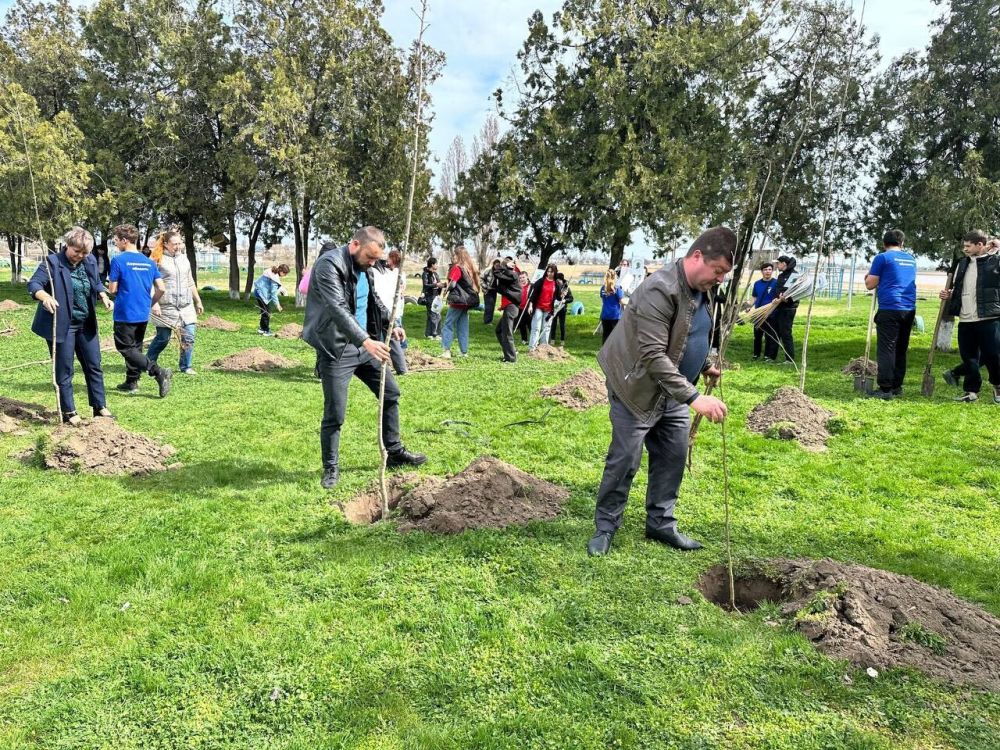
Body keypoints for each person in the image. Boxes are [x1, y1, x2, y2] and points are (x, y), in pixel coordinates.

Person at [588, 227, 733, 557]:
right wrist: (696, 398)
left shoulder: (703, 288)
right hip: (636, 386)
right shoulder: (660, 288)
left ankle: (660, 523)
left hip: (674, 389)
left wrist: (703, 363)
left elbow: (689, 332)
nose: (721, 278)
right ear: (697, 257)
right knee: (625, 458)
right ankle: (605, 527)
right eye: (718, 270)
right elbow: (653, 354)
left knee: (672, 455)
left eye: (724, 272)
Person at [302, 226, 426, 489]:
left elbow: (373, 301)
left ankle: (394, 451)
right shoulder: (329, 265)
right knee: (335, 412)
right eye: (369, 257)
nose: (372, 264)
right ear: (355, 244)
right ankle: (331, 467)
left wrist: (391, 323)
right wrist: (366, 341)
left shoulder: (365, 268)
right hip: (336, 349)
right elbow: (337, 308)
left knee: (390, 393)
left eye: (375, 259)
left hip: (365, 347)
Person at [27, 227, 115, 424]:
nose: (80, 256)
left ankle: (100, 407)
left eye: (85, 252)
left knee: (94, 365)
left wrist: (103, 296)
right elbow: (34, 284)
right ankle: (69, 412)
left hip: (85, 323)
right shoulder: (52, 263)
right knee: (64, 369)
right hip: (62, 325)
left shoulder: (89, 261)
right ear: (67, 245)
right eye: (77, 251)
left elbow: (96, 282)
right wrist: (45, 297)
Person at [107, 224, 171, 397]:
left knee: (126, 348)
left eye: (116, 240)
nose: (115, 244)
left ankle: (158, 371)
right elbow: (161, 288)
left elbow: (112, 289)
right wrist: (150, 303)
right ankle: (132, 381)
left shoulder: (118, 260)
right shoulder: (149, 262)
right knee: (136, 347)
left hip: (125, 312)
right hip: (142, 312)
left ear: (124, 240)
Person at [938, 230, 1000, 404]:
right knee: (970, 358)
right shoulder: (962, 263)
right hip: (966, 319)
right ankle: (971, 392)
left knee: (993, 355)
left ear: (980, 245)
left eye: (968, 246)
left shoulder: (995, 261)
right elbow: (959, 288)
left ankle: (997, 386)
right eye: (964, 246)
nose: (964, 249)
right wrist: (949, 295)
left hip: (988, 318)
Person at [865, 229, 917, 399]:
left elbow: (870, 284)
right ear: (902, 243)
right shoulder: (911, 259)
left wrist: (868, 277)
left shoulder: (882, 258)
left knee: (887, 348)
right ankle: (896, 386)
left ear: (884, 243)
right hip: (909, 308)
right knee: (901, 348)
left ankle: (885, 388)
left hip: (890, 307)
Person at [146, 229, 203, 376]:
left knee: (189, 337)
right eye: (174, 244)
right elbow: (150, 283)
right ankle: (148, 362)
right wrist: (154, 303)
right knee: (162, 339)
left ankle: (186, 366)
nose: (178, 246)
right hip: (166, 306)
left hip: (186, 305)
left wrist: (198, 301)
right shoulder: (157, 259)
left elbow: (190, 282)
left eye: (179, 243)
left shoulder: (184, 259)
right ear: (165, 244)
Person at [371, 247, 408, 375]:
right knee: (392, 337)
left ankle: (379, 367)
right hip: (390, 309)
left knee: (379, 338)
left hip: (381, 308)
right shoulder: (396, 273)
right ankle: (401, 368)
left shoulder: (375, 272)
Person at [440, 245, 480, 358]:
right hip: (466, 302)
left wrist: (445, 288)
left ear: (458, 255)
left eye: (454, 254)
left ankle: (446, 350)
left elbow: (453, 284)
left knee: (448, 324)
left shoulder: (457, 268)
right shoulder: (469, 268)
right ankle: (464, 352)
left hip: (458, 301)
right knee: (463, 326)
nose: (453, 256)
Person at [764, 255, 800, 363]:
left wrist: (786, 299)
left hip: (788, 309)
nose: (777, 265)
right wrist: (777, 298)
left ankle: (789, 359)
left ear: (783, 264)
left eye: (778, 263)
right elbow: (779, 290)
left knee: (786, 333)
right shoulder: (781, 276)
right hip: (778, 307)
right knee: (775, 332)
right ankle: (771, 357)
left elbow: (794, 292)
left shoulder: (794, 275)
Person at [493, 258, 525, 363]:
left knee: (507, 333)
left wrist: (504, 265)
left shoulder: (512, 275)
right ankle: (510, 352)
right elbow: (497, 276)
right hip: (509, 307)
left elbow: (496, 273)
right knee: (499, 330)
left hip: (511, 307)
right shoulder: (508, 275)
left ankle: (511, 358)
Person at [750, 261, 779, 359]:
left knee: (769, 335)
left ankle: (767, 355)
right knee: (757, 335)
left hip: (771, 313)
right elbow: (754, 297)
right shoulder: (757, 283)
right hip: (758, 313)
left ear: (772, 271)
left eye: (770, 269)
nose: (768, 271)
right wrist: (749, 306)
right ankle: (756, 354)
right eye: (765, 269)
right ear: (762, 271)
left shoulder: (776, 283)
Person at [528, 263, 558, 350]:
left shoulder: (556, 283)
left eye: (551, 272)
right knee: (536, 328)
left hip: (549, 309)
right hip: (538, 307)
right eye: (548, 271)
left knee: (546, 328)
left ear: (555, 272)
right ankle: (532, 347)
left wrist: (563, 295)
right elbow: (533, 294)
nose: (549, 273)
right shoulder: (541, 281)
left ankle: (543, 348)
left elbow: (558, 297)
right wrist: (530, 305)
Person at [252, 264, 289, 336]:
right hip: (261, 294)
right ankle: (266, 330)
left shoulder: (272, 272)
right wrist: (277, 305)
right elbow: (273, 293)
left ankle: (262, 329)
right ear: (281, 271)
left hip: (258, 291)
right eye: (285, 274)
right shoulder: (274, 278)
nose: (285, 275)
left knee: (264, 311)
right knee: (266, 313)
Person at [421, 257, 445, 339]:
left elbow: (439, 284)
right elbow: (425, 285)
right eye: (436, 264)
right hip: (429, 296)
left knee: (434, 314)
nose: (437, 265)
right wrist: (436, 285)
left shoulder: (436, 274)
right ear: (432, 264)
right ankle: (435, 334)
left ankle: (428, 334)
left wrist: (443, 285)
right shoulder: (425, 274)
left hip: (436, 296)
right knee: (434, 315)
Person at [549, 271, 574, 347]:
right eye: (556, 280)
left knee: (562, 325)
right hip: (555, 308)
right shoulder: (554, 286)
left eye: (559, 280)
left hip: (562, 309)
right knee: (553, 324)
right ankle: (552, 339)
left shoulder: (566, 288)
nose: (557, 281)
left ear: (562, 280)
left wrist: (564, 300)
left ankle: (562, 340)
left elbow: (571, 298)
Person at [599, 269, 624, 342]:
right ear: (614, 277)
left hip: (605, 314)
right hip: (615, 315)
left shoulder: (602, 288)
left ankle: (604, 349)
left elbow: (603, 301)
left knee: (606, 335)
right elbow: (621, 301)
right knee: (615, 336)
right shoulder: (617, 288)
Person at [482, 258, 502, 325]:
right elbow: (481, 279)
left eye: (499, 265)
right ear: (493, 264)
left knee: (492, 306)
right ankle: (487, 321)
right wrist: (486, 286)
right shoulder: (488, 270)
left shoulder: (499, 272)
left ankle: (489, 320)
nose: (497, 267)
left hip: (494, 291)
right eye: (496, 265)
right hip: (488, 291)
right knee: (489, 306)